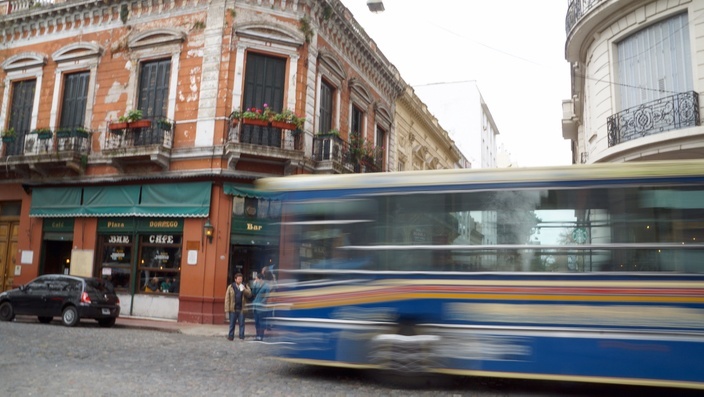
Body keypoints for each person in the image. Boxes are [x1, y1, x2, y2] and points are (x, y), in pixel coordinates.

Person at [224, 273, 251, 341]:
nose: (240, 280)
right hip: (233, 309)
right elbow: (227, 298)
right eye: (239, 279)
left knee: (242, 324)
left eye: (241, 279)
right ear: (235, 279)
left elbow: (249, 294)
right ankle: (230, 336)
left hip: (241, 309)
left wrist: (244, 289)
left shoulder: (245, 286)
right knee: (232, 324)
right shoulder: (231, 287)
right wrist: (227, 309)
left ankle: (241, 336)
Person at [250, 272, 271, 341]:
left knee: (261, 322)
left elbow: (267, 296)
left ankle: (261, 336)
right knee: (256, 322)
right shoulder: (257, 285)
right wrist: (254, 285)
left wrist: (262, 303)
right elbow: (253, 293)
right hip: (255, 306)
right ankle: (257, 335)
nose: (256, 280)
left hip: (261, 307)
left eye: (257, 279)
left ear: (261, 279)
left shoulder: (266, 286)